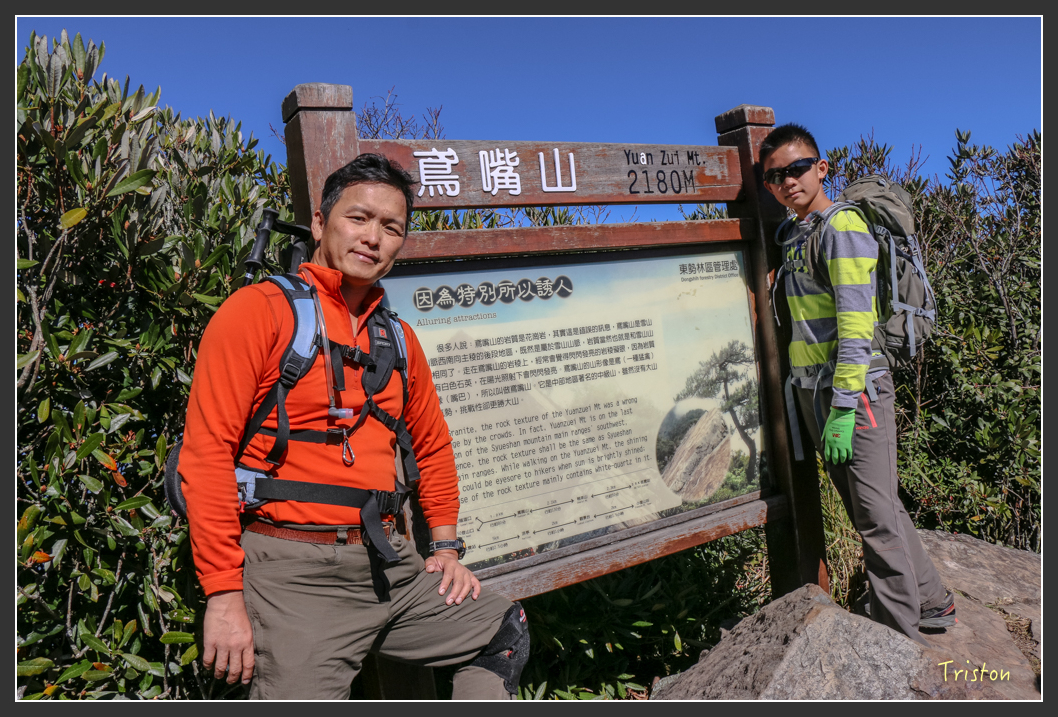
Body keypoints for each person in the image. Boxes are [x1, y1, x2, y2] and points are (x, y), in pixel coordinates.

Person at [178, 153, 527, 699]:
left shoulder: (398, 341)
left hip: (392, 567)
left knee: (500, 629)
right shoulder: (257, 312)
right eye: (358, 218)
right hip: (292, 575)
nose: (374, 238)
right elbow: (206, 457)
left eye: (392, 227)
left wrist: (447, 547)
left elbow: (433, 449)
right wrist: (223, 594)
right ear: (320, 224)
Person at [759, 124, 955, 644]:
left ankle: (896, 639)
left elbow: (855, 325)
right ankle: (933, 601)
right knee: (877, 507)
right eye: (774, 176)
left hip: (856, 394)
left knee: (873, 519)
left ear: (821, 169)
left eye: (796, 169)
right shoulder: (796, 234)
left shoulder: (840, 228)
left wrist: (844, 407)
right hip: (819, 394)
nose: (787, 181)